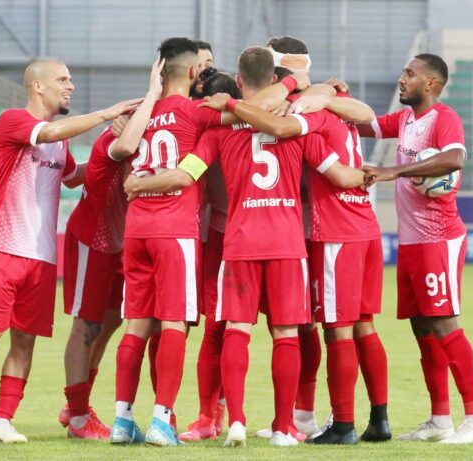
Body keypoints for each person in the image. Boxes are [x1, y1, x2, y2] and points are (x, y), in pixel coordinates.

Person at [125, 46, 370, 448]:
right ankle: (282, 427)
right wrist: (376, 174)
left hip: (239, 240)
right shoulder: (294, 123)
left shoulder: (219, 131)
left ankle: (235, 420)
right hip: (287, 241)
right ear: (274, 81)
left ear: (238, 81)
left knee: (235, 329)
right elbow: (340, 174)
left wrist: (140, 184)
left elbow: (187, 173)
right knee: (286, 333)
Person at [0, 58, 142, 443]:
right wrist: (107, 115)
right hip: (4, 247)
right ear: (38, 86)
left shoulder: (60, 141)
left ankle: (2, 421)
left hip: (43, 256)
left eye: (70, 80)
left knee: (25, 341)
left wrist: (118, 151)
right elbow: (49, 131)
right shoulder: (13, 121)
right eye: (62, 80)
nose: (70, 86)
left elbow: (72, 176)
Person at [362, 53, 473, 444]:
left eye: (410, 74)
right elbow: (364, 123)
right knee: (422, 329)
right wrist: (332, 98)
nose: (402, 79)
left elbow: (454, 158)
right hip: (412, 242)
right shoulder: (404, 119)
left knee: (445, 324)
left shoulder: (443, 118)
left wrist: (395, 171)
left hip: (439, 238)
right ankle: (440, 419)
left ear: (431, 83)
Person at [110, 37, 229, 447]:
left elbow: (123, 152)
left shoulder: (140, 116)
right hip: (174, 230)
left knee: (136, 325)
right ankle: (162, 420)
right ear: (194, 72)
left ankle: (122, 419)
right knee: (175, 322)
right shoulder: (197, 113)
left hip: (136, 230)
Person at [58, 58, 166, 441]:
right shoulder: (122, 135)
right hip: (93, 239)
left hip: (123, 243)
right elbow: (123, 147)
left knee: (109, 324)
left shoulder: (154, 137)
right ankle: (78, 417)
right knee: (86, 326)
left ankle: (76, 404)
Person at [177, 71, 240, 443]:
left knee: (217, 331)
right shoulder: (268, 122)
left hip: (224, 235)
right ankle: (294, 418)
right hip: (268, 230)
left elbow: (187, 175)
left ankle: (209, 415)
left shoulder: (206, 135)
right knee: (288, 330)